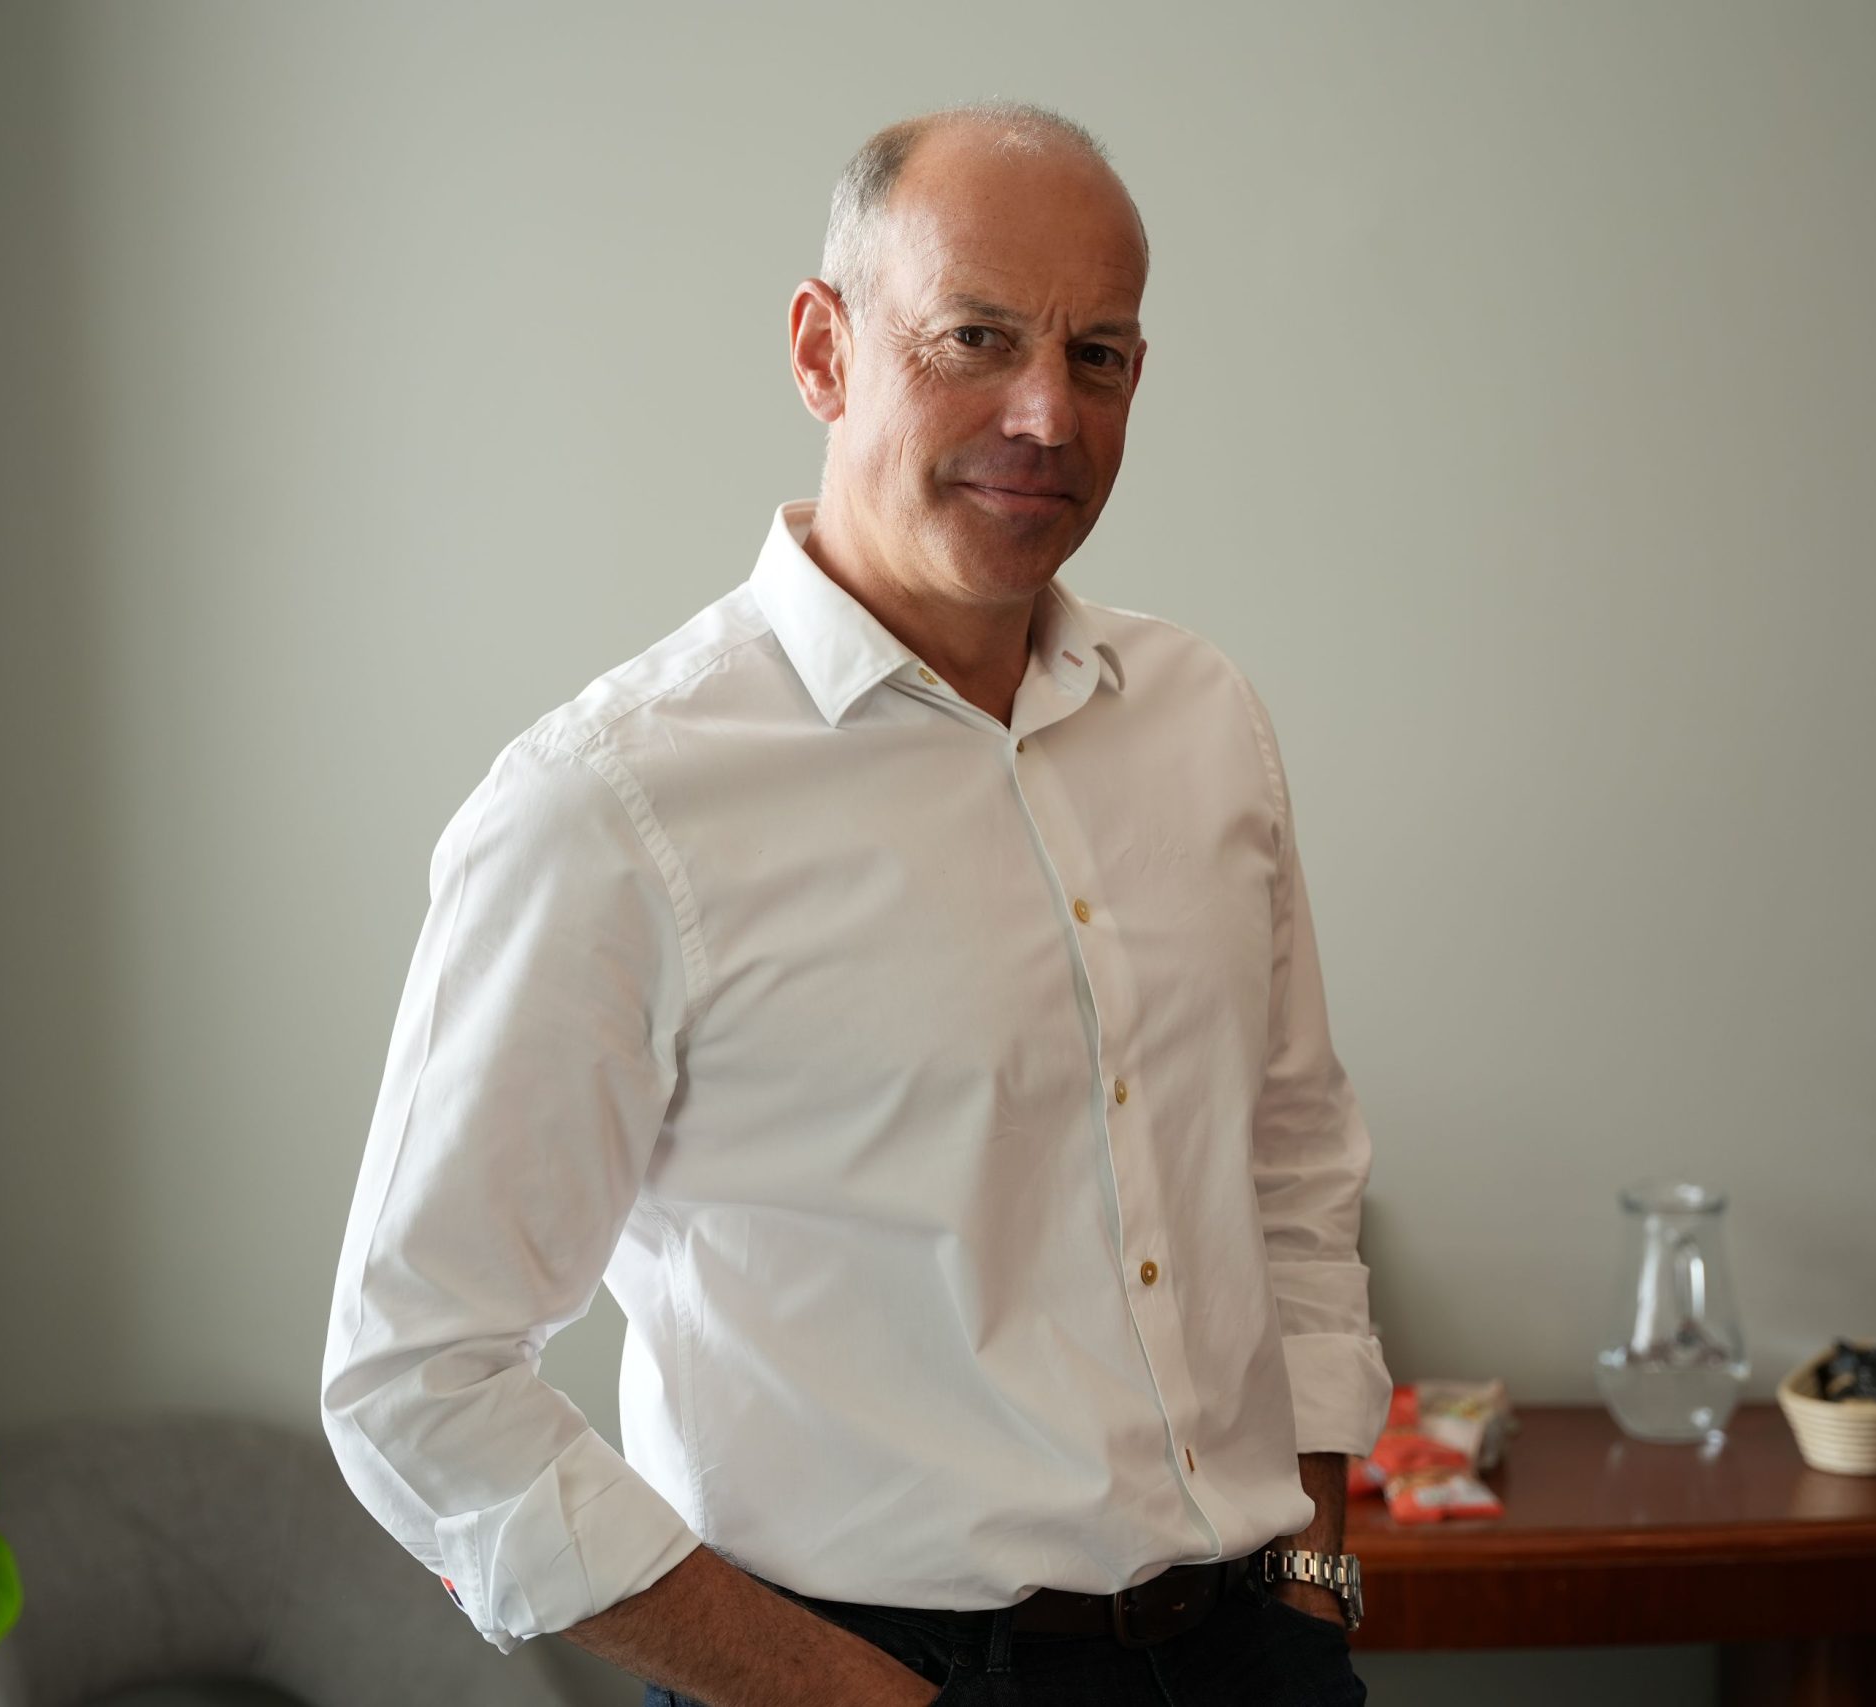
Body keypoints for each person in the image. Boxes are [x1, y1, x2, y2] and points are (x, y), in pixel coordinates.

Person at [320, 100, 1391, 1707]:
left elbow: (1289, 1164)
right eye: (977, 338)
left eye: (1098, 355)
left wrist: (1310, 1577)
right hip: (856, 1671)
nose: (1046, 412)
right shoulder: (608, 806)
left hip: (1252, 1658)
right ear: (823, 352)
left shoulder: (1201, 720)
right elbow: (414, 1379)